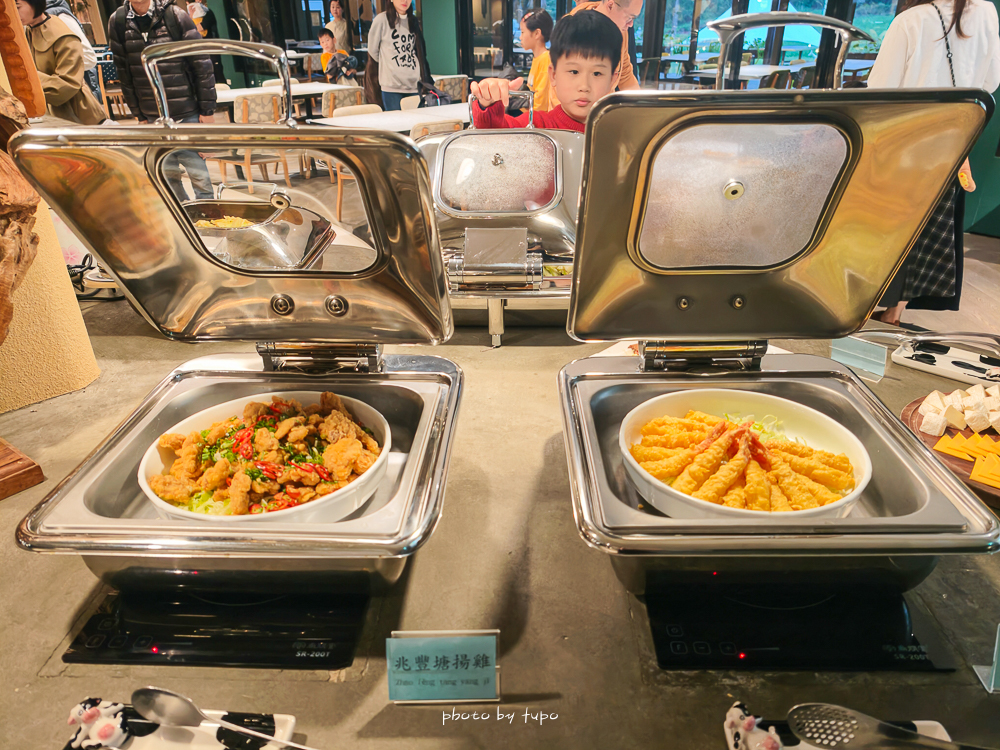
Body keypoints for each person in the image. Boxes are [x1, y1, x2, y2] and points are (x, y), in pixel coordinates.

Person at [868, 0, 1000, 325]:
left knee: (885, 230)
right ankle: (895, 313)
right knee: (927, 230)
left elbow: (880, 90)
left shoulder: (910, 21)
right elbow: (990, 82)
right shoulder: (985, 12)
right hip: (952, 144)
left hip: (904, 144)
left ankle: (867, 313)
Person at [108, 0, 216, 201]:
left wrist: (207, 110)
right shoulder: (118, 21)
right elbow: (124, 72)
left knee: (199, 175)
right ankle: (184, 220)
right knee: (167, 176)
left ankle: (210, 217)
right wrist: (138, 114)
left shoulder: (175, 15)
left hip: (186, 112)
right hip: (151, 116)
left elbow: (201, 63)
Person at [471, 10, 621, 132]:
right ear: (553, 75)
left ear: (613, 79)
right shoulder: (537, 125)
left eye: (597, 73)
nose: (584, 86)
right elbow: (493, 133)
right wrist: (487, 104)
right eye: (574, 72)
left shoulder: (620, 133)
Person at [16, 0, 105, 124]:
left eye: (17, 7)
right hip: (48, 115)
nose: (15, 13)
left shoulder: (61, 30)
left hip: (77, 115)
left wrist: (26, 76)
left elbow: (68, 84)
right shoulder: (28, 30)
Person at [546, 0, 641, 107]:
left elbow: (625, 76)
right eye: (629, 18)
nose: (630, 24)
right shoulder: (574, 27)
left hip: (602, 114)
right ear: (610, 6)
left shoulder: (621, 31)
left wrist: (639, 109)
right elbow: (559, 90)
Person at [365, 0, 431, 110]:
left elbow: (418, 51)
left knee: (414, 123)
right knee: (396, 124)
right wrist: (390, 66)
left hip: (413, 85)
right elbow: (373, 51)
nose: (405, 1)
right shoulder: (381, 20)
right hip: (391, 86)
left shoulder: (413, 21)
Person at [45, 0, 100, 101]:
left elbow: (88, 58)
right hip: (58, 94)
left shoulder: (59, 16)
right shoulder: (32, 23)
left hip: (77, 95)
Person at [519, 8, 555, 111]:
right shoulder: (538, 58)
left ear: (536, 34)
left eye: (522, 32)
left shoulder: (545, 60)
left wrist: (518, 106)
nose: (520, 37)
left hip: (536, 121)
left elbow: (540, 106)